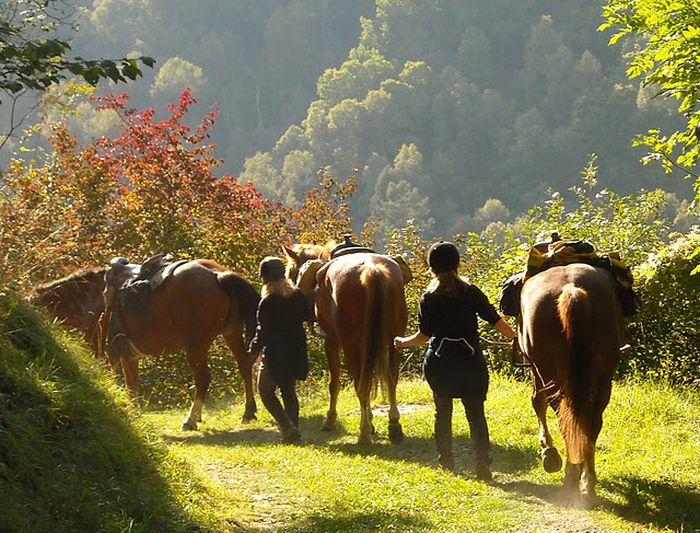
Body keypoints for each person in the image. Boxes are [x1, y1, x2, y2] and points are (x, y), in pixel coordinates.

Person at [394, 241, 515, 480]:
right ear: (457, 263)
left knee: (443, 412)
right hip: (470, 362)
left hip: (440, 364)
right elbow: (496, 320)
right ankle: (481, 462)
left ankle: (446, 462)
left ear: (432, 267)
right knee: (476, 414)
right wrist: (518, 339)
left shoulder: (429, 297)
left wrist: (401, 342)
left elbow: (423, 336)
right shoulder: (471, 291)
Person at [249, 256, 310, 444]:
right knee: (288, 391)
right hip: (296, 351)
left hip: (275, 354)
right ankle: (294, 430)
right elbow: (308, 316)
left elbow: (263, 331)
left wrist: (253, 349)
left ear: (265, 278)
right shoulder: (298, 295)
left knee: (265, 391)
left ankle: (287, 426)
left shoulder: (267, 302)